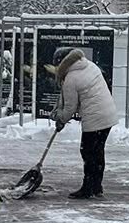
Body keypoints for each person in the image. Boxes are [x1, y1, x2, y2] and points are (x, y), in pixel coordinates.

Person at [50, 47, 118, 199]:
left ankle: (88, 188)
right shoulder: (89, 65)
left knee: (87, 152)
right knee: (98, 151)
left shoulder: (71, 78)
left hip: (95, 117)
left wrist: (60, 119)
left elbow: (70, 107)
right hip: (108, 114)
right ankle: (96, 186)